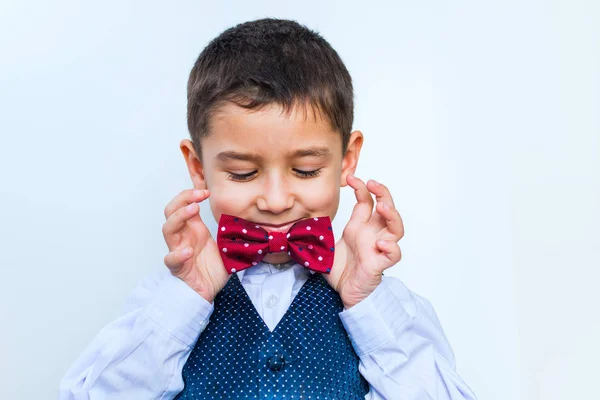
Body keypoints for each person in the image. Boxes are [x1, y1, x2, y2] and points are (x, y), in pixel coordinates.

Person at [59, 18, 478, 399]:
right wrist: (188, 299)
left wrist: (365, 300)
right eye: (242, 173)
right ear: (198, 167)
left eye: (306, 169)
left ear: (346, 161)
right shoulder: (164, 304)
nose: (276, 201)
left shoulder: (385, 307)